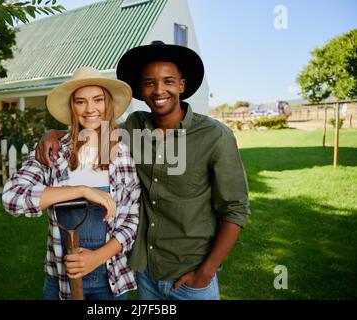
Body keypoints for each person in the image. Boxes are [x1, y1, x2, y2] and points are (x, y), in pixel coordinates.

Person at [36, 41, 251, 300]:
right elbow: (92, 126)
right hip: (145, 273)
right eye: (149, 82)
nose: (159, 90)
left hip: (191, 276)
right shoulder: (131, 129)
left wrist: (205, 272)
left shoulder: (215, 136)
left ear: (181, 86)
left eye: (168, 81)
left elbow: (236, 209)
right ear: (141, 88)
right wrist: (54, 134)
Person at [2, 67, 141, 300]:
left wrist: (97, 257)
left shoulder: (123, 153)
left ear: (108, 105)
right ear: (72, 107)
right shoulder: (53, 152)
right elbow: (11, 198)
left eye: (98, 100)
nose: (90, 109)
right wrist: (81, 191)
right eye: (80, 102)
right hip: (62, 280)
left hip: (111, 279)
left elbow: (132, 220)